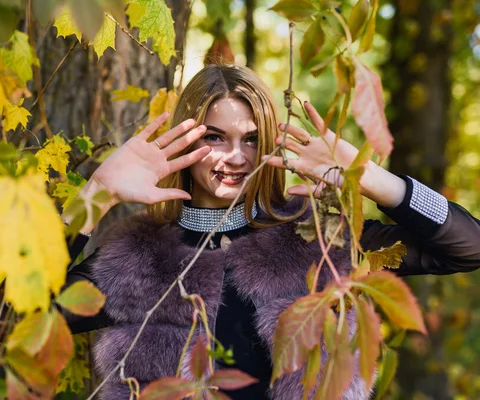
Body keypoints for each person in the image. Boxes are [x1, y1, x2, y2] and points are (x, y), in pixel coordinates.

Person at [62, 64, 480, 400]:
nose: (236, 157)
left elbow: (468, 247)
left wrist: (369, 177)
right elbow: (11, 318)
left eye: (251, 139)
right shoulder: (134, 258)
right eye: (215, 137)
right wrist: (96, 195)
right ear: (188, 139)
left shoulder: (317, 236)